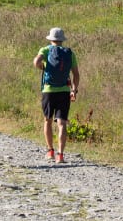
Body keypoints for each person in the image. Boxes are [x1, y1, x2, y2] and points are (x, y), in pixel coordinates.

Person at [33, 27, 79, 164]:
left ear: (51, 39)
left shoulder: (45, 50)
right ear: (62, 40)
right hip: (64, 91)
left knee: (47, 120)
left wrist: (42, 67)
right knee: (62, 123)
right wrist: (73, 90)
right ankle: (61, 155)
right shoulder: (70, 53)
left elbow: (36, 62)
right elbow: (76, 74)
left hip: (48, 90)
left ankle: (50, 151)